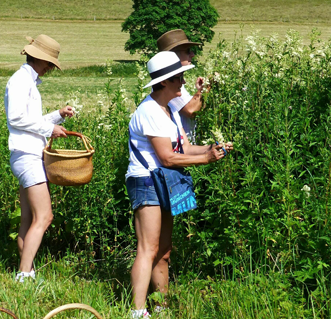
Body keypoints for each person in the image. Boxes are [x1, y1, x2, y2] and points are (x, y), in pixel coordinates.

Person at [126, 51, 232, 318]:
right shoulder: (149, 110)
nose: (182, 82)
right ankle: (137, 312)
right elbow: (167, 156)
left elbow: (184, 147)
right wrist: (206, 160)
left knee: (163, 250)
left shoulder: (169, 110)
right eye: (177, 78)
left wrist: (213, 148)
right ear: (162, 82)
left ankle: (160, 307)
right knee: (148, 248)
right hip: (146, 180)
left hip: (164, 181)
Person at [4, 34, 75, 282]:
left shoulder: (28, 81)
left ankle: (27, 269)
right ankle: (24, 275)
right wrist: (49, 130)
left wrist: (57, 116)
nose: (49, 69)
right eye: (49, 64)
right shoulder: (21, 81)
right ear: (39, 59)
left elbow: (28, 122)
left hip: (26, 154)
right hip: (27, 156)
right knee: (44, 216)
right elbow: (15, 119)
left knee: (29, 218)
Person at [157, 29, 209, 144]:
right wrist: (206, 87)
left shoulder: (175, 82)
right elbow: (191, 110)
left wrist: (200, 91)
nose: (192, 54)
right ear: (173, 55)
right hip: (179, 150)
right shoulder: (167, 84)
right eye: (187, 51)